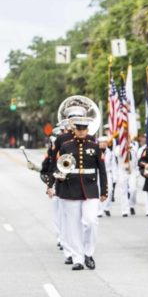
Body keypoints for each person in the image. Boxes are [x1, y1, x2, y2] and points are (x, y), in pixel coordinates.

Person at [54, 116, 108, 270]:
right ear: (74, 130)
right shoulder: (65, 146)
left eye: (84, 129)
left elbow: (102, 170)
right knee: (73, 226)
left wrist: (104, 189)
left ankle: (88, 253)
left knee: (91, 221)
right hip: (71, 188)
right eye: (79, 129)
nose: (82, 131)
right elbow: (60, 166)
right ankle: (78, 258)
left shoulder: (94, 146)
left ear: (88, 130)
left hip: (90, 189)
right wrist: (59, 177)